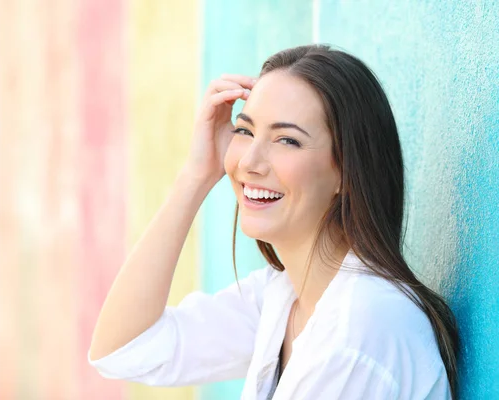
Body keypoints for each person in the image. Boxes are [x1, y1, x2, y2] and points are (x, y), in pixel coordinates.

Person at [87, 44, 459, 399]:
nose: (251, 161)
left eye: (287, 140)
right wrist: (196, 176)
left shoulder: (360, 330)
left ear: (347, 170)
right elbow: (124, 350)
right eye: (245, 131)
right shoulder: (282, 297)